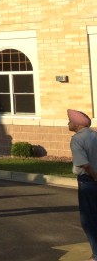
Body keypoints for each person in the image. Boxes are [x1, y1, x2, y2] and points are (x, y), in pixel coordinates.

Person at [68, 108, 97, 259]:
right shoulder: (95, 135)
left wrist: (94, 176)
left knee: (89, 219)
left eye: (70, 121)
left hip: (88, 181)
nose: (68, 123)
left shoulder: (77, 139)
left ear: (77, 124)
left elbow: (83, 164)